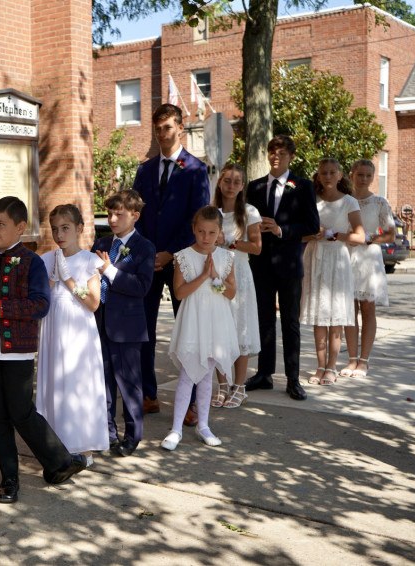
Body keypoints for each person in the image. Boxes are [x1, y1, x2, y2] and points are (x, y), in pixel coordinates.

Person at [0, 196, 86, 504]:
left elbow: (40, 305)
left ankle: (60, 460)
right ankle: (9, 478)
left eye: (1, 224)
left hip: (16, 350)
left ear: (20, 228)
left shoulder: (31, 262)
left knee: (20, 411)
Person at [132, 103, 209, 423]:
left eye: (167, 128)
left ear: (180, 128)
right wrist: (149, 253)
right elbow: (135, 214)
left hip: (183, 261)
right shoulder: (144, 170)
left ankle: (190, 403)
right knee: (143, 331)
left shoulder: (196, 169)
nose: (162, 134)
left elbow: (198, 217)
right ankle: (148, 395)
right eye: (158, 129)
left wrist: (171, 252)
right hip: (149, 262)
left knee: (188, 332)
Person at [245, 135, 320, 401]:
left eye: (282, 154)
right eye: (272, 153)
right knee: (264, 320)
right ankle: (264, 374)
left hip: (289, 264)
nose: (276, 157)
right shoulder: (254, 187)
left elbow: (312, 225)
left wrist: (280, 229)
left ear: (291, 157)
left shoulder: (303, 186)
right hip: (261, 264)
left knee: (290, 322)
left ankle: (292, 379)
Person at [36, 204, 109, 467]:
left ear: (79, 228)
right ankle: (56, 447)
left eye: (65, 228)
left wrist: (68, 280)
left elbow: (93, 304)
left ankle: (82, 448)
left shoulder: (89, 261)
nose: (59, 234)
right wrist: (53, 279)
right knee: (55, 383)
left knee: (78, 384)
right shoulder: (46, 260)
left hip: (79, 333)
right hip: (53, 330)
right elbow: (41, 299)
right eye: (55, 229)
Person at [161, 206, 239, 451]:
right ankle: (175, 429)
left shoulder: (226, 258)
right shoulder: (183, 257)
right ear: (194, 229)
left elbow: (230, 293)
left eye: (212, 232)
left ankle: (203, 425)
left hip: (215, 321)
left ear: (219, 232)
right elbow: (179, 293)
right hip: (193, 321)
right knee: (187, 374)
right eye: (201, 231)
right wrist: (203, 275)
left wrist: (216, 277)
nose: (206, 237)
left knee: (207, 374)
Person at [91, 190, 155, 457]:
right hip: (100, 322)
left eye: (119, 214)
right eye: (109, 214)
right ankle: (107, 432)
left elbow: (141, 286)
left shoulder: (144, 247)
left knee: (129, 383)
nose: (112, 219)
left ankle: (132, 436)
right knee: (103, 382)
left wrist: (109, 270)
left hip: (127, 327)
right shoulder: (101, 243)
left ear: (135, 216)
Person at [301, 159, 365, 385]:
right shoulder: (311, 200)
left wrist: (336, 235)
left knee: (336, 315)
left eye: (332, 172)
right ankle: (320, 366)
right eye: (323, 173)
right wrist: (313, 234)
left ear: (339, 175)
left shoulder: (349, 201)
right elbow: (300, 234)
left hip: (338, 259)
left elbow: (360, 236)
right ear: (318, 176)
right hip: (315, 257)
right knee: (319, 314)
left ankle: (331, 367)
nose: (327, 176)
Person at [212, 164, 262, 409]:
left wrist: (229, 240)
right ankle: (223, 384)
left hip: (239, 273)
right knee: (219, 330)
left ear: (242, 186)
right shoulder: (212, 211)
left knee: (240, 329)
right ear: (220, 183)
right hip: (215, 274)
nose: (231, 186)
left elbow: (256, 247)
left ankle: (239, 387)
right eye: (227, 181)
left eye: (236, 182)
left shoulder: (249, 211)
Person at [340, 160, 394, 379]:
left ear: (373, 177)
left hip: (369, 258)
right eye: (360, 174)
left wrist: (368, 238)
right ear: (352, 175)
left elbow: (390, 234)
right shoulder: (344, 200)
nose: (364, 179)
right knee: (349, 310)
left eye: (368, 175)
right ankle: (352, 359)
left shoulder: (379, 202)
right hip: (346, 256)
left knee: (368, 308)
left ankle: (364, 361)